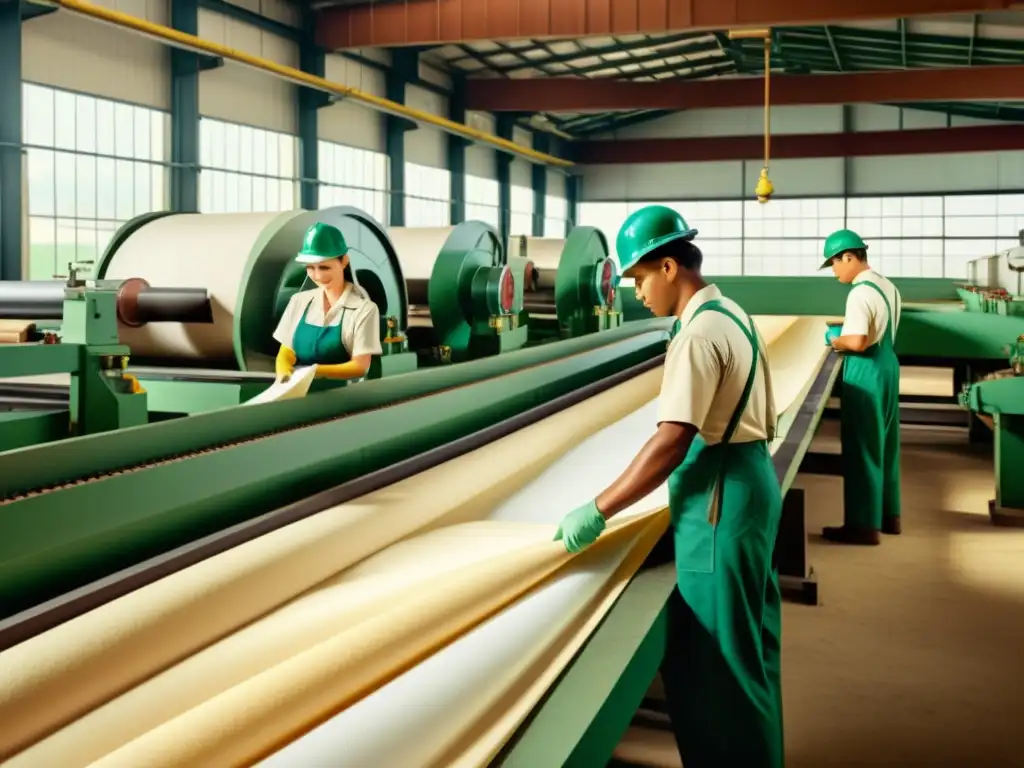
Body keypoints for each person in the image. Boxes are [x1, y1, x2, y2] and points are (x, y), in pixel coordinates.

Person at [554, 205, 784, 768]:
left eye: (637, 278)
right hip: (746, 480)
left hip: (719, 501)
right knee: (750, 645)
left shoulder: (698, 334)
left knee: (717, 662)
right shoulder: (728, 312)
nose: (635, 292)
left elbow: (672, 441)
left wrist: (599, 509)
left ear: (670, 267)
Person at [821, 229, 902, 545]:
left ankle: (862, 526)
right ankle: (889, 517)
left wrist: (832, 339)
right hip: (888, 367)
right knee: (886, 444)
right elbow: (880, 328)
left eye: (834, 263)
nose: (834, 271)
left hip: (865, 374)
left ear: (850, 257)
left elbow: (857, 341)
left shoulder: (858, 292)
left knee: (862, 448)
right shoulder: (887, 286)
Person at [273, 222, 382, 383]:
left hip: (345, 396)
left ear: (344, 261)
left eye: (324, 268)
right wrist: (283, 372)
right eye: (310, 268)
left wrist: (314, 371)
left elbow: (360, 365)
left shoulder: (364, 310)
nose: (317, 276)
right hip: (299, 390)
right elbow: (286, 351)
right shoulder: (299, 301)